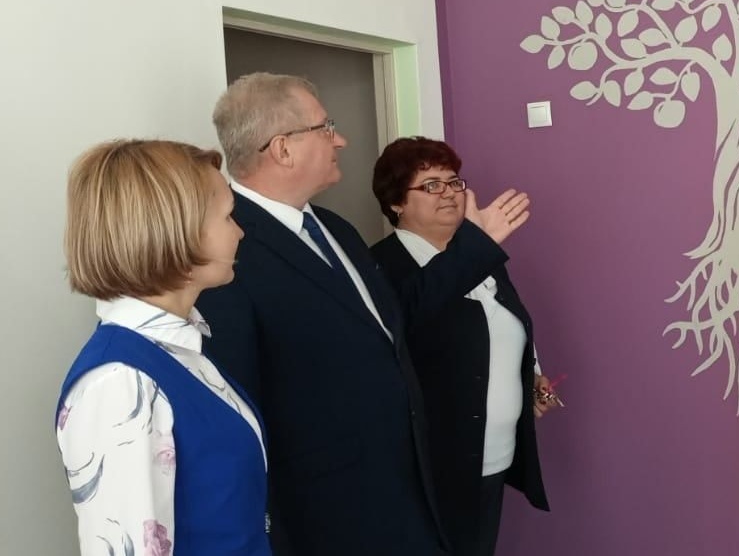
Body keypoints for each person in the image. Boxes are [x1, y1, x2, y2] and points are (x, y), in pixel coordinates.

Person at [195, 73, 529, 556]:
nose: (340, 140)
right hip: (326, 516)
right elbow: (237, 408)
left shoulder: (334, 228)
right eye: (325, 127)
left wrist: (472, 248)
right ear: (283, 148)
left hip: (403, 490)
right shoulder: (228, 247)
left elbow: (397, 318)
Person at [56, 139, 268, 556]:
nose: (240, 231)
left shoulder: (181, 349)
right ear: (177, 233)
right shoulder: (120, 382)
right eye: (228, 217)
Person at [368, 136, 556, 556]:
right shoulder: (382, 267)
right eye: (431, 185)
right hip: (431, 465)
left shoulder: (478, 256)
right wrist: (477, 245)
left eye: (454, 182)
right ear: (396, 202)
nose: (449, 193)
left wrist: (530, 376)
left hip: (493, 455)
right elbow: (409, 326)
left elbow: (504, 324)